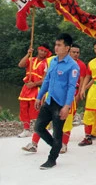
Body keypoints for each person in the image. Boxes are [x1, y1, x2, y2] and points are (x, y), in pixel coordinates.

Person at [34, 33, 79, 169]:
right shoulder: (52, 61)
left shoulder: (73, 66)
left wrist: (67, 106)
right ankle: (56, 146)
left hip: (61, 104)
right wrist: (39, 96)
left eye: (59, 45)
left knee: (57, 132)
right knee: (38, 127)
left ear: (67, 48)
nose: (56, 47)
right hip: (49, 100)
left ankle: (52, 159)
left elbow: (72, 88)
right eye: (56, 44)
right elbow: (46, 80)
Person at [17, 43, 51, 137]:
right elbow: (21, 64)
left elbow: (45, 80)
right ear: (38, 50)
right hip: (26, 86)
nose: (42, 53)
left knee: (35, 108)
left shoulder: (46, 63)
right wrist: (28, 53)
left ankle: (36, 129)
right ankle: (26, 129)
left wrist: (35, 84)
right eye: (41, 50)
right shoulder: (31, 59)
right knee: (23, 108)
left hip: (37, 88)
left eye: (45, 51)